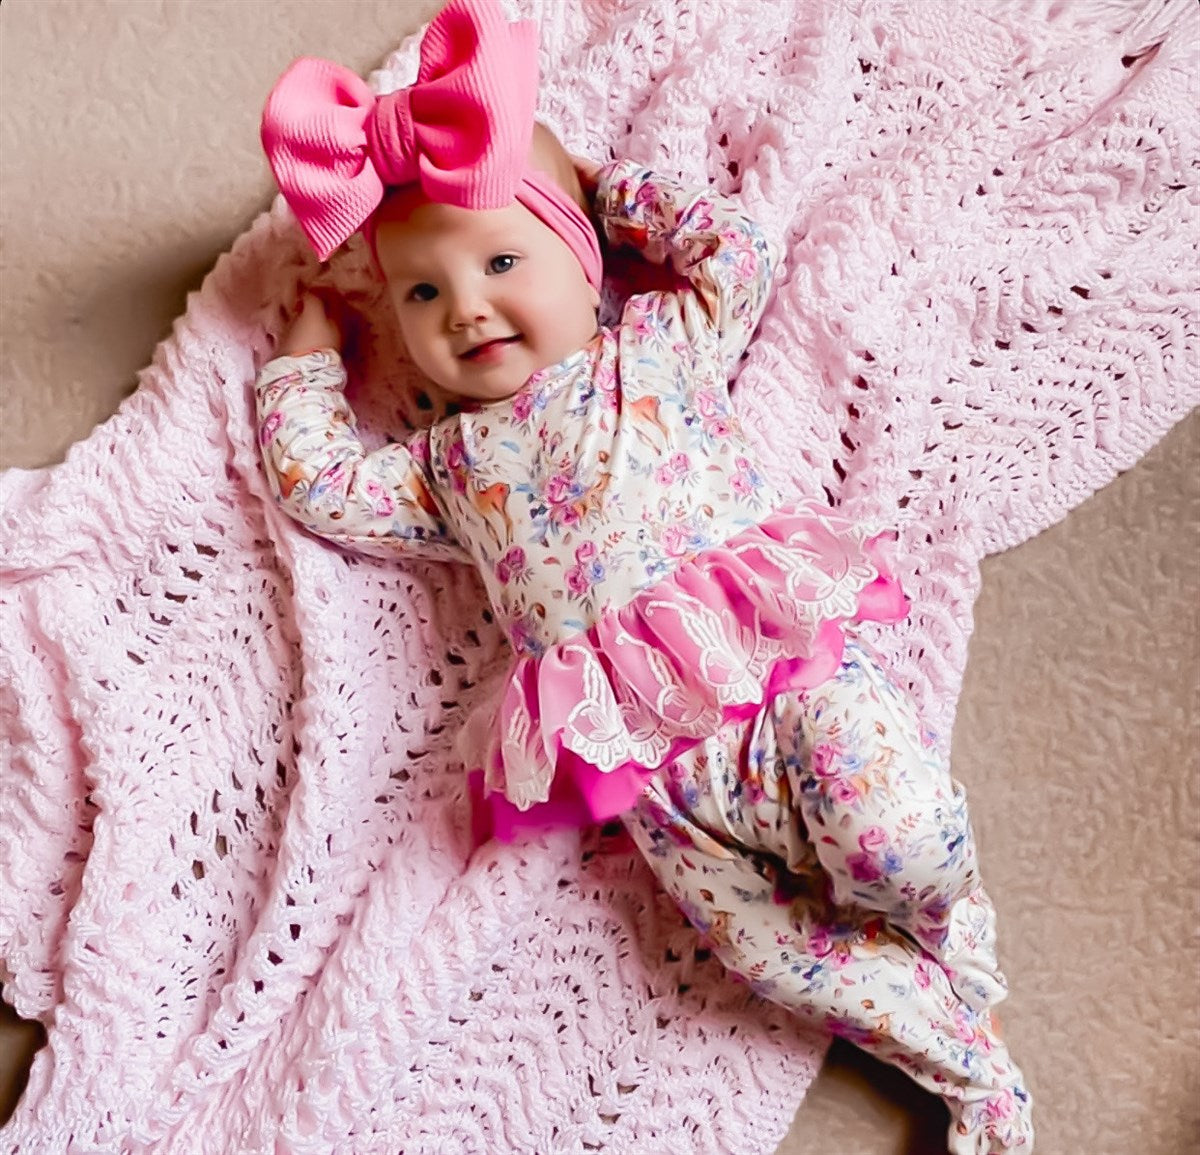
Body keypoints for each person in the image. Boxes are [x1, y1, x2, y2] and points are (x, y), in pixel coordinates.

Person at [254, 1, 1033, 1149]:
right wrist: (309, 363)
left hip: (775, 677)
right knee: (764, 949)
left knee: (895, 839)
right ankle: (970, 1066)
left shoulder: (660, 344)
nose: (465, 307)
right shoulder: (448, 466)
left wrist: (607, 188)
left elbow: (740, 252)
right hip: (650, 768)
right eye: (421, 295)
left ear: (585, 263)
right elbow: (324, 486)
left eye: (504, 261)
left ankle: (942, 917)